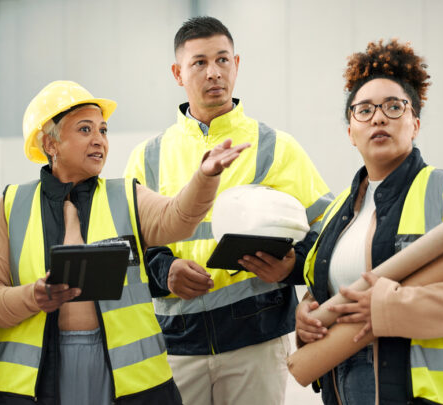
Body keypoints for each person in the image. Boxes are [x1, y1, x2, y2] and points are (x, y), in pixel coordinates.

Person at [0, 80, 249, 405]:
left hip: (124, 378)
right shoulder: (11, 206)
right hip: (36, 378)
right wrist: (32, 296)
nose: (99, 140)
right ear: (50, 143)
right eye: (85, 129)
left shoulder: (127, 195)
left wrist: (205, 176)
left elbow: (179, 218)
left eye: (103, 130)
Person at [124, 16, 333, 405]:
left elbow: (327, 232)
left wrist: (290, 267)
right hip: (176, 345)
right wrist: (164, 271)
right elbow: (129, 245)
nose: (213, 73)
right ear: (177, 73)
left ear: (237, 64)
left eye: (223, 60)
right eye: (199, 63)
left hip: (256, 342)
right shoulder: (147, 158)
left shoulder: (275, 147)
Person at [294, 39, 443, 405]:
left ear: (415, 124)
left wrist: (390, 310)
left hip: (428, 395)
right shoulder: (337, 212)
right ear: (351, 132)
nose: (378, 117)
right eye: (364, 110)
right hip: (345, 385)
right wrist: (306, 315)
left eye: (394, 107)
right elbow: (324, 290)